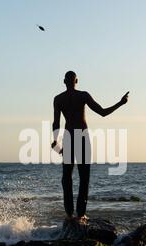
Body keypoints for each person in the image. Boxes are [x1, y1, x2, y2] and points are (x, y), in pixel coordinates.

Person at [52, 71, 129, 221]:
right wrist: (120, 103)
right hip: (82, 135)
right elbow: (103, 112)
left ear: (64, 81)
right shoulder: (83, 95)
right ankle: (80, 214)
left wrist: (55, 141)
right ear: (77, 81)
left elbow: (56, 123)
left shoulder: (58, 99)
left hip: (68, 137)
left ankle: (69, 214)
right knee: (84, 177)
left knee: (66, 177)